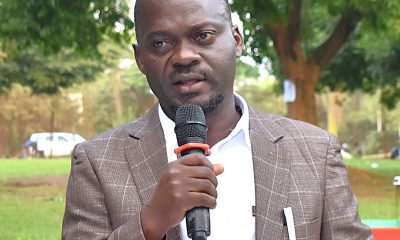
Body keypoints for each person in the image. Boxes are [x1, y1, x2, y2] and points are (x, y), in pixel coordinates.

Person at [62, 0, 373, 239]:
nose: (184, 56)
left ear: (236, 40)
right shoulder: (97, 162)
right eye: (160, 43)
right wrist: (150, 223)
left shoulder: (315, 152)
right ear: (140, 57)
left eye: (203, 35)